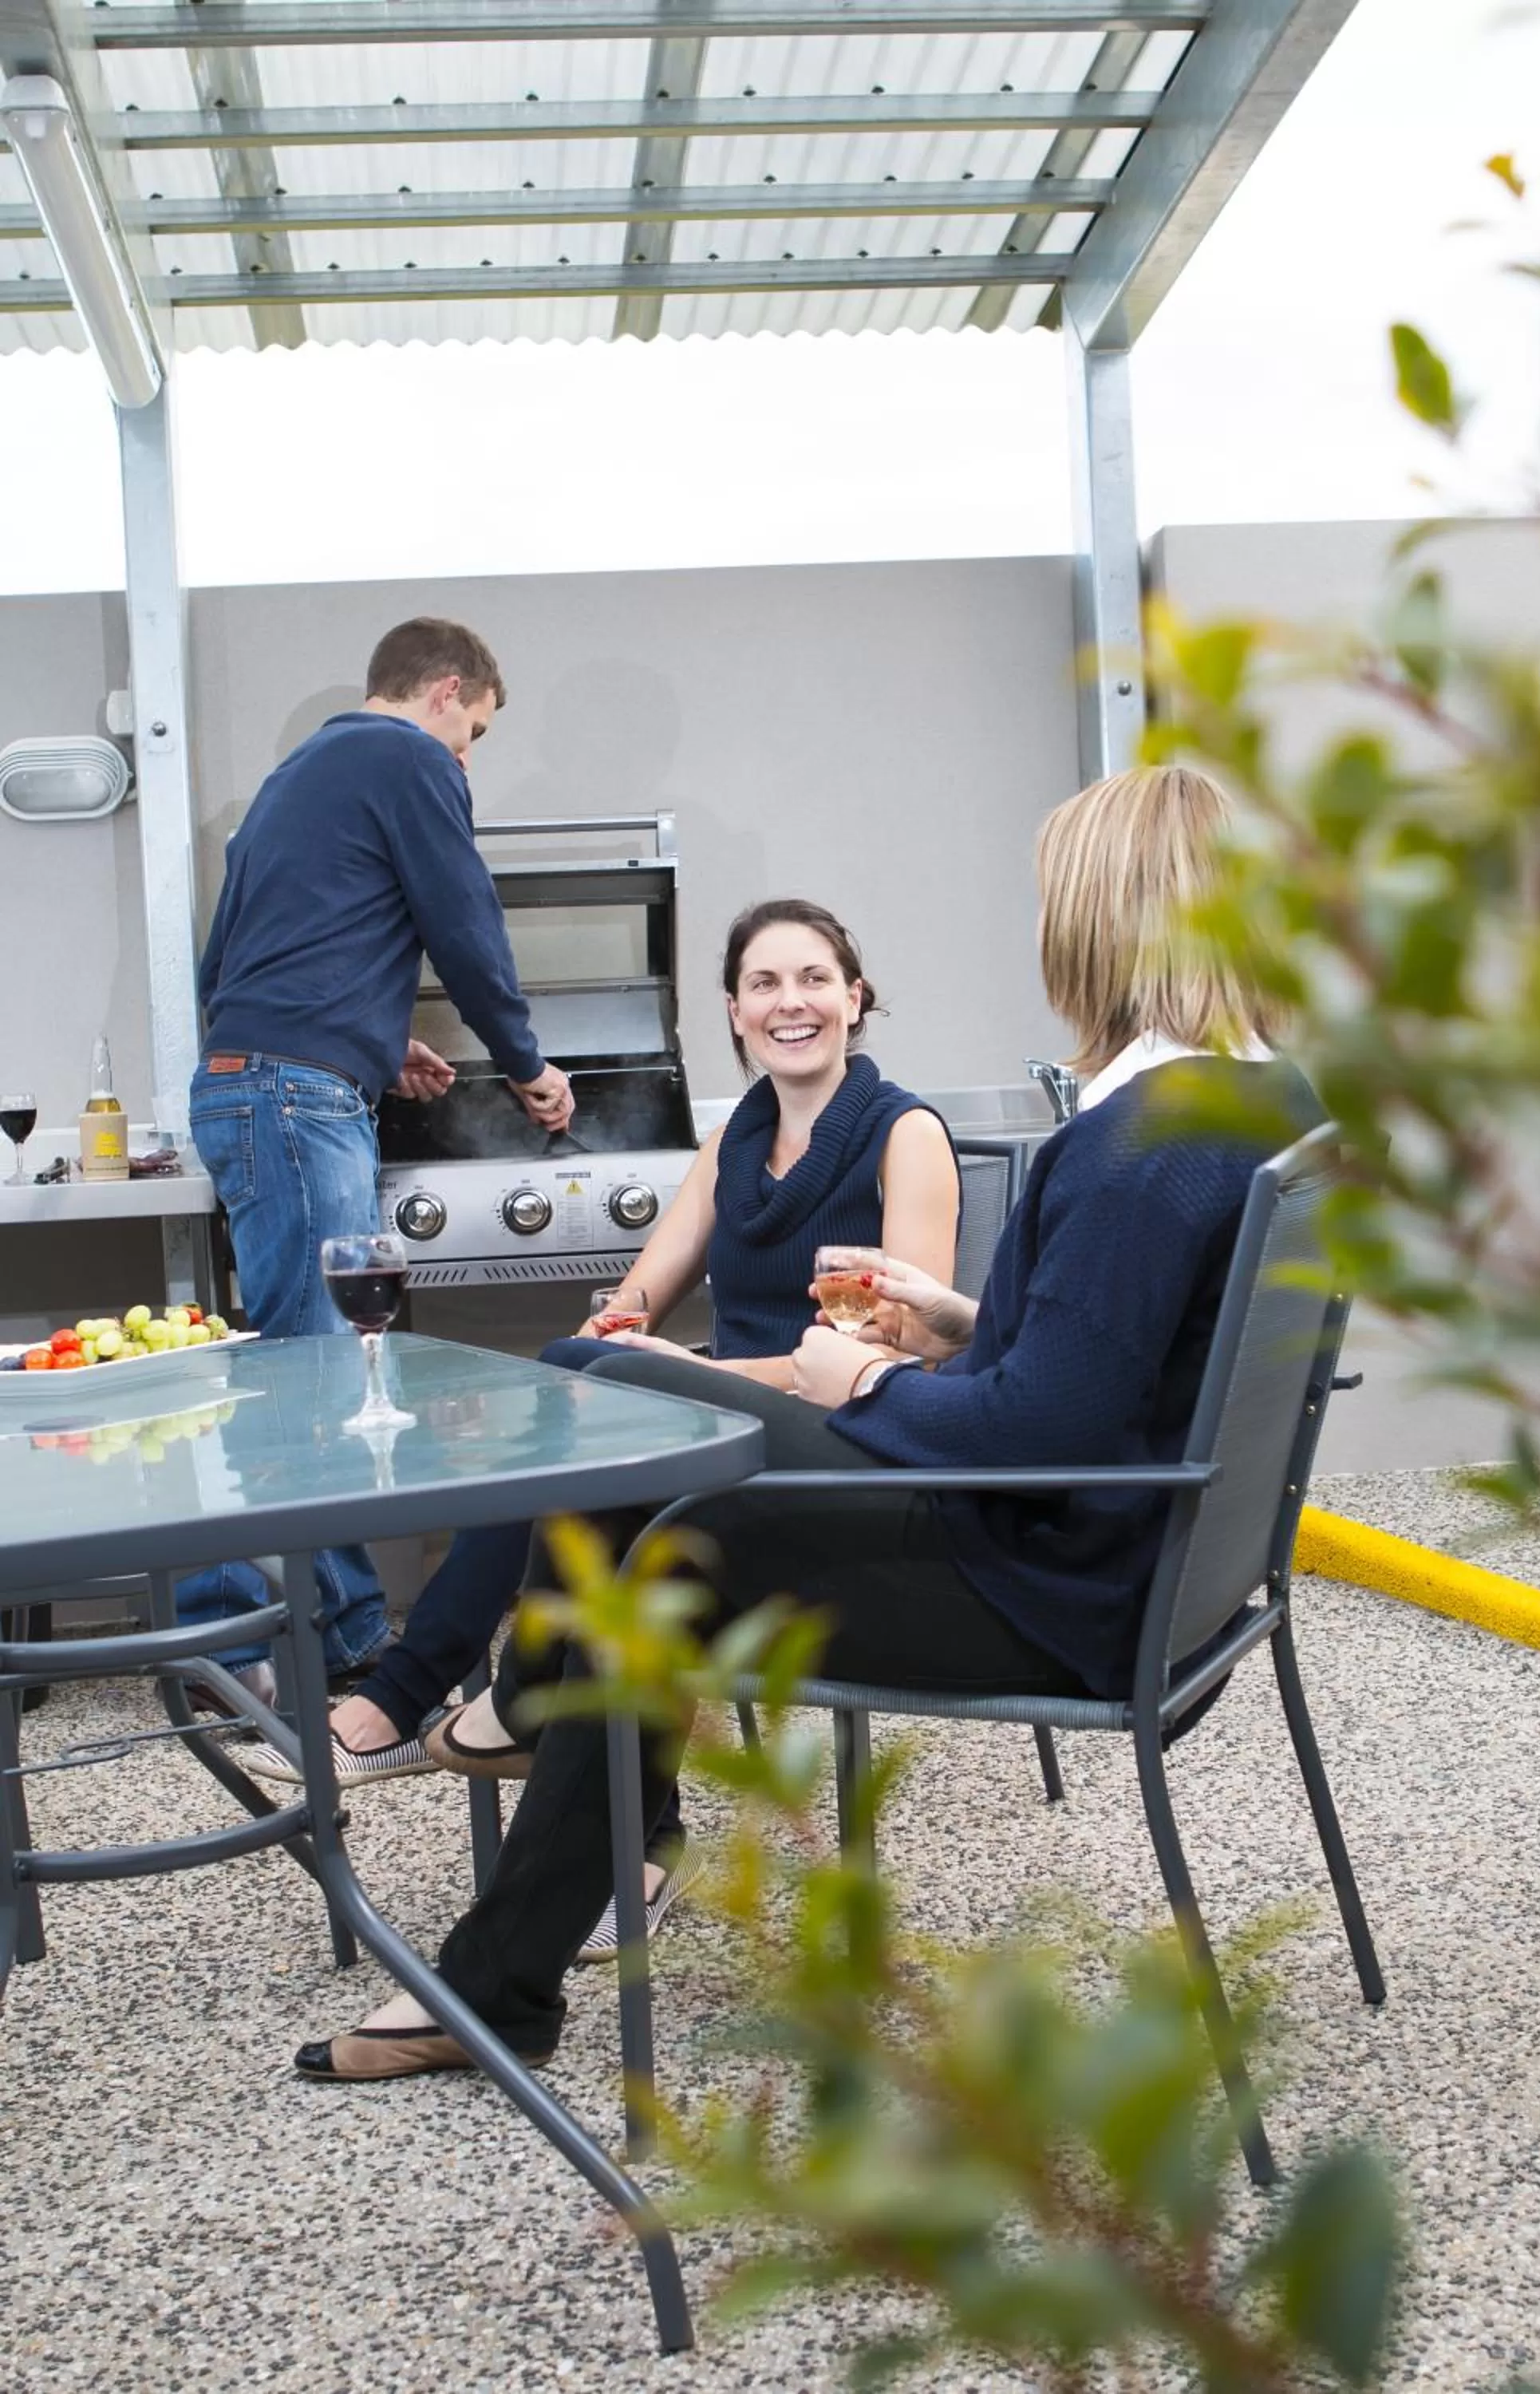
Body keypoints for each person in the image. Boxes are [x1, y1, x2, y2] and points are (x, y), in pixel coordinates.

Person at [295, 763, 1320, 2081]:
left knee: (633, 1502)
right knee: (632, 1475)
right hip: (1135, 1564)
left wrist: (869, 1381)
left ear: (1105, 920)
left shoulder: (1141, 1144)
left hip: (1044, 1580)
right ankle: (507, 1905)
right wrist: (953, 1321)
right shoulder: (1262, 1103)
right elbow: (1116, 1364)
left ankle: (519, 1785)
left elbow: (1036, 1427)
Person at [262, 899, 961, 1955]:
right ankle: (630, 1832)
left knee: (586, 1405)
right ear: (732, 1014)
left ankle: (437, 1698)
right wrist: (624, 1324)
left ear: (855, 1000)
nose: (791, 1003)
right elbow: (641, 1294)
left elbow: (907, 1350)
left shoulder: (906, 1134)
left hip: (843, 1441)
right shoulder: (734, 1143)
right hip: (725, 1424)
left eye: (814, 979)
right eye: (765, 985)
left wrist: (688, 1370)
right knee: (582, 1390)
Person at [180, 618, 575, 1704]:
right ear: (446, 692)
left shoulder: (299, 772)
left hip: (261, 1082)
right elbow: (464, 920)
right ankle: (301, 1641)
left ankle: (290, 1628)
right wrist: (527, 1067)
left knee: (291, 1363)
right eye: (476, 733)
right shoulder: (405, 755)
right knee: (317, 1374)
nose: (466, 758)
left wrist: (368, 1040)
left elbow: (235, 963)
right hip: (295, 1100)